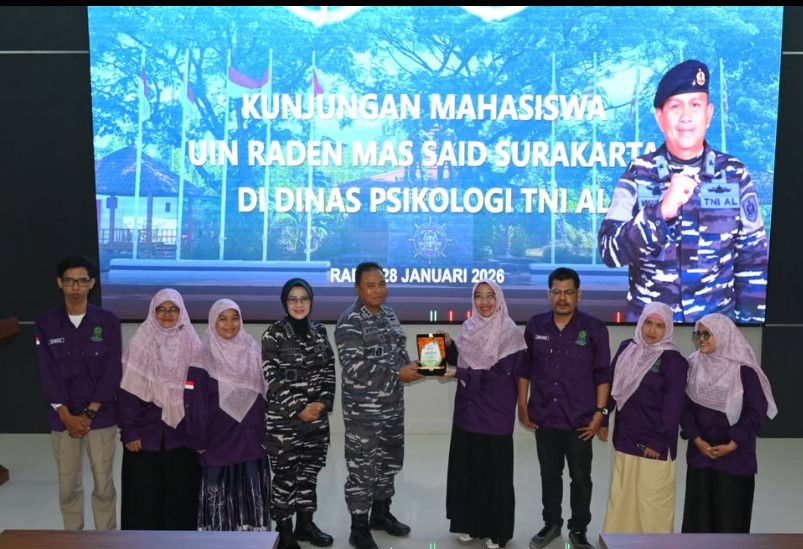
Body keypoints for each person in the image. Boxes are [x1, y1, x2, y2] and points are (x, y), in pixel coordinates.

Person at [597, 59, 769, 324]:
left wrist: (748, 332)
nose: (686, 116)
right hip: (651, 334)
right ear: (660, 117)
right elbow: (609, 250)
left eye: (695, 105)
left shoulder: (734, 174)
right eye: (676, 106)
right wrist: (659, 213)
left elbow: (754, 262)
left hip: (715, 335)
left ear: (709, 114)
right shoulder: (638, 173)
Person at [518, 267, 611, 549]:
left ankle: (579, 529)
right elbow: (525, 369)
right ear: (548, 294)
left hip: (580, 419)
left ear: (578, 295)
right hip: (545, 416)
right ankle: (552, 524)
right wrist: (522, 405)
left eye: (568, 292)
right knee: (550, 475)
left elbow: (602, 374)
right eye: (556, 292)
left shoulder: (594, 328)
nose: (562, 298)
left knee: (581, 477)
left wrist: (600, 413)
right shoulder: (535, 326)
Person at [334, 261, 424, 549]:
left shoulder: (389, 314)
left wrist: (414, 365)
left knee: (388, 462)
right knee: (362, 468)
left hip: (392, 406)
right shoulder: (349, 321)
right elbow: (354, 367)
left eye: (382, 284)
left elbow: (398, 353)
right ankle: (358, 528)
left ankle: (381, 514)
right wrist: (398, 374)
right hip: (364, 413)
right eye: (370, 285)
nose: (378, 290)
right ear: (357, 288)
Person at [34, 254, 122, 530]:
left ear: (91, 283)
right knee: (68, 487)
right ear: (59, 283)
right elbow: (47, 371)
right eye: (69, 281)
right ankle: (73, 539)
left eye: (82, 281)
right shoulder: (46, 323)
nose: (75, 287)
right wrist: (65, 414)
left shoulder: (108, 321)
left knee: (104, 486)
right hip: (62, 419)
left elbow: (112, 370)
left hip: (101, 417)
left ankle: (105, 540)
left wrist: (90, 413)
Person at [443, 280, 527, 549]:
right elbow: (462, 359)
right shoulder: (469, 328)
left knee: (494, 475)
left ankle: (496, 531)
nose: (484, 302)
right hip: (467, 413)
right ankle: (471, 523)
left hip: (494, 415)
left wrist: (460, 373)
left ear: (499, 298)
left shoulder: (510, 333)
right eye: (478, 296)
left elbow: (500, 378)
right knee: (468, 471)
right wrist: (449, 346)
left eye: (490, 295)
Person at [680, 313, 778, 533]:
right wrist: (697, 440)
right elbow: (684, 407)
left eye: (707, 334)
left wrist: (733, 443)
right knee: (698, 523)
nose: (701, 339)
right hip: (701, 456)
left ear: (723, 335)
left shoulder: (744, 370)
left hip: (736, 458)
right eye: (698, 334)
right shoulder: (693, 364)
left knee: (730, 523)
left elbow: (756, 411)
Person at [117, 288, 202, 530]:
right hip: (145, 437)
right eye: (161, 309)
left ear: (181, 313)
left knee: (181, 498)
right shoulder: (139, 343)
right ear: (152, 312)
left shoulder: (192, 344)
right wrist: (129, 431)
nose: (167, 314)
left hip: (182, 437)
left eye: (173, 309)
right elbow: (127, 392)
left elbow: (200, 396)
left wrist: (199, 434)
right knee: (145, 500)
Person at [600, 302, 689, 533]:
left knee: (652, 503)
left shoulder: (674, 361)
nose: (652, 330)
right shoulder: (627, 348)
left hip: (654, 443)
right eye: (648, 323)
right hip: (626, 437)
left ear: (668, 329)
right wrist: (604, 417)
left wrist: (658, 442)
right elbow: (612, 385)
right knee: (623, 497)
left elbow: (673, 407)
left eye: (659, 326)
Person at [183, 298, 271, 531]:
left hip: (251, 440)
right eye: (222, 319)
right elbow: (194, 403)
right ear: (213, 322)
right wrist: (198, 439)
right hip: (218, 442)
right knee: (221, 506)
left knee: (251, 502)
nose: (230, 324)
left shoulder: (252, 350)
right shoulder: (202, 358)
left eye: (235, 318)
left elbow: (265, 393)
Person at [261, 278, 336, 548]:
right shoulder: (273, 334)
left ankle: (305, 524)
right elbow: (272, 377)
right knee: (285, 477)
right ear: (285, 302)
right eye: (293, 299)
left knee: (308, 474)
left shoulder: (320, 331)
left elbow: (329, 370)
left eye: (304, 299)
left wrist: (323, 403)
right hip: (284, 424)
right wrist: (298, 409)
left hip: (316, 422)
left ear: (311, 301)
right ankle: (284, 531)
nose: (299, 304)